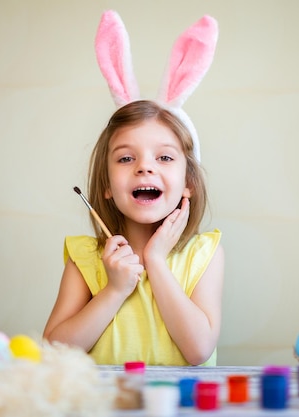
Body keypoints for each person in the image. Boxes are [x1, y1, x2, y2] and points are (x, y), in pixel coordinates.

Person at [44, 10, 223, 366]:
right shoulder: (85, 258)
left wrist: (156, 262)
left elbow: (199, 350)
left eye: (165, 158)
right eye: (126, 159)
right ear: (107, 186)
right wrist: (114, 289)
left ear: (188, 181)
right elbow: (53, 352)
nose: (144, 167)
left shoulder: (204, 252)